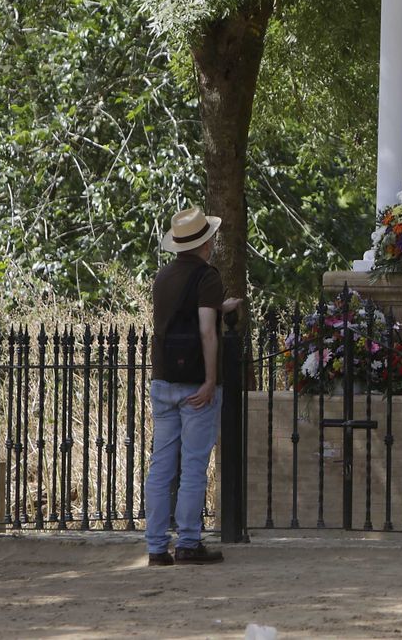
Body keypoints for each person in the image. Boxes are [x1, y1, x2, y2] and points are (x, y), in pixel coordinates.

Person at [145, 205, 242, 566]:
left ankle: (156, 546)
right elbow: (204, 328)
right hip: (194, 385)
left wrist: (219, 307)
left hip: (163, 378)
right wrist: (211, 379)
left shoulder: (163, 277)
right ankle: (188, 542)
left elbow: (181, 317)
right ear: (206, 243)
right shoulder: (207, 277)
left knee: (161, 466)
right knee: (194, 465)